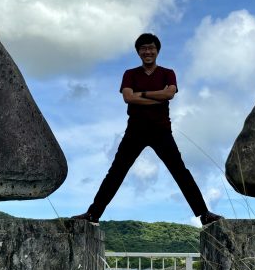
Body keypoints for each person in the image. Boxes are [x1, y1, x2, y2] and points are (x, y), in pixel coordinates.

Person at [72, 33, 224, 227]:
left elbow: (169, 94)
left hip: (161, 131)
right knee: (116, 172)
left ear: (157, 50)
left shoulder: (167, 73)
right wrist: (156, 97)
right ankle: (93, 214)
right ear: (138, 52)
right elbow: (128, 97)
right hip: (135, 131)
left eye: (151, 48)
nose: (147, 51)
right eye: (143, 48)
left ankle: (204, 214)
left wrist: (142, 94)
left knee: (180, 172)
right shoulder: (130, 73)